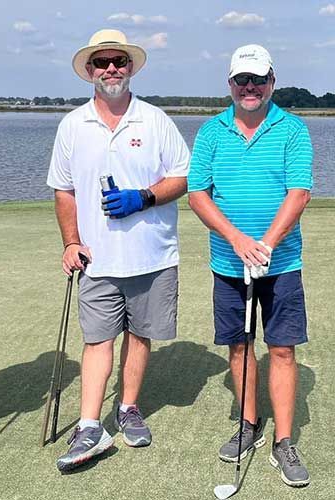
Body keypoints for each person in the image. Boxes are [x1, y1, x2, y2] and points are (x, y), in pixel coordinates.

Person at [46, 29, 189, 471]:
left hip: (152, 254)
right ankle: (90, 424)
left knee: (140, 335)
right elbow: (64, 190)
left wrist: (143, 197)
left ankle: (127, 408)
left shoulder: (155, 119)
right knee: (97, 340)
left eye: (119, 62)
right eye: (102, 63)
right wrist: (71, 241)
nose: (111, 69)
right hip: (96, 258)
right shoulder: (73, 124)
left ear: (130, 67)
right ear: (89, 71)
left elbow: (183, 177)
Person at [187, 44, 313, 488]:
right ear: (231, 84)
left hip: (282, 263)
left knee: (281, 348)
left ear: (272, 82)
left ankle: (282, 440)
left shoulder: (292, 130)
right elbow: (197, 193)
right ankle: (248, 423)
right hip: (227, 261)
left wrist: (266, 244)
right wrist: (238, 241)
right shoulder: (210, 132)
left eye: (258, 79)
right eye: (242, 80)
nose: (250, 87)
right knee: (239, 346)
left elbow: (299, 193)